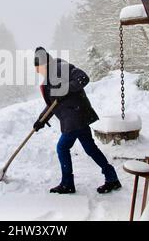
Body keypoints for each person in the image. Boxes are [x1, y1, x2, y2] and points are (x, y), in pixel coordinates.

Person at [33, 47, 121, 194]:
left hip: (75, 117)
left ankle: (67, 183)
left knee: (62, 147)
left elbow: (83, 78)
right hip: (75, 119)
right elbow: (51, 105)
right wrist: (40, 121)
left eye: (38, 67)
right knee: (90, 149)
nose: (37, 71)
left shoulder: (62, 68)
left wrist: (65, 89)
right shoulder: (49, 79)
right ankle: (112, 178)